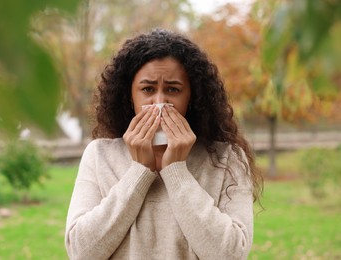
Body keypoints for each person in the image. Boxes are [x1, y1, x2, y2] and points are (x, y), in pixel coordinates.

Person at [65, 28, 263, 260]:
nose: (160, 102)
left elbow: (230, 255)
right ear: (130, 96)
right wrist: (139, 172)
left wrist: (176, 171)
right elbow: (81, 252)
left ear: (192, 97)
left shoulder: (228, 158)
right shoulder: (99, 155)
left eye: (173, 90)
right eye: (148, 89)